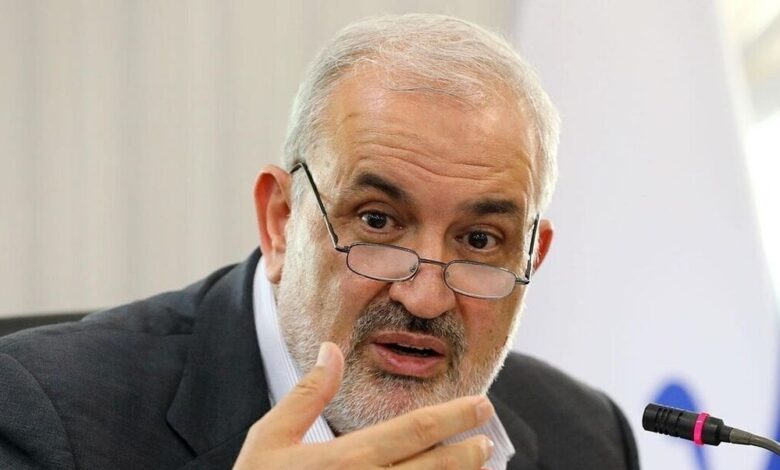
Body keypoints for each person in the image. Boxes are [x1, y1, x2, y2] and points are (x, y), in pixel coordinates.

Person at [0, 13, 639, 470]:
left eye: (479, 239)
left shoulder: (587, 438)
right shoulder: (48, 416)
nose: (425, 298)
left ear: (531, 259)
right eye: (378, 221)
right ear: (281, 221)